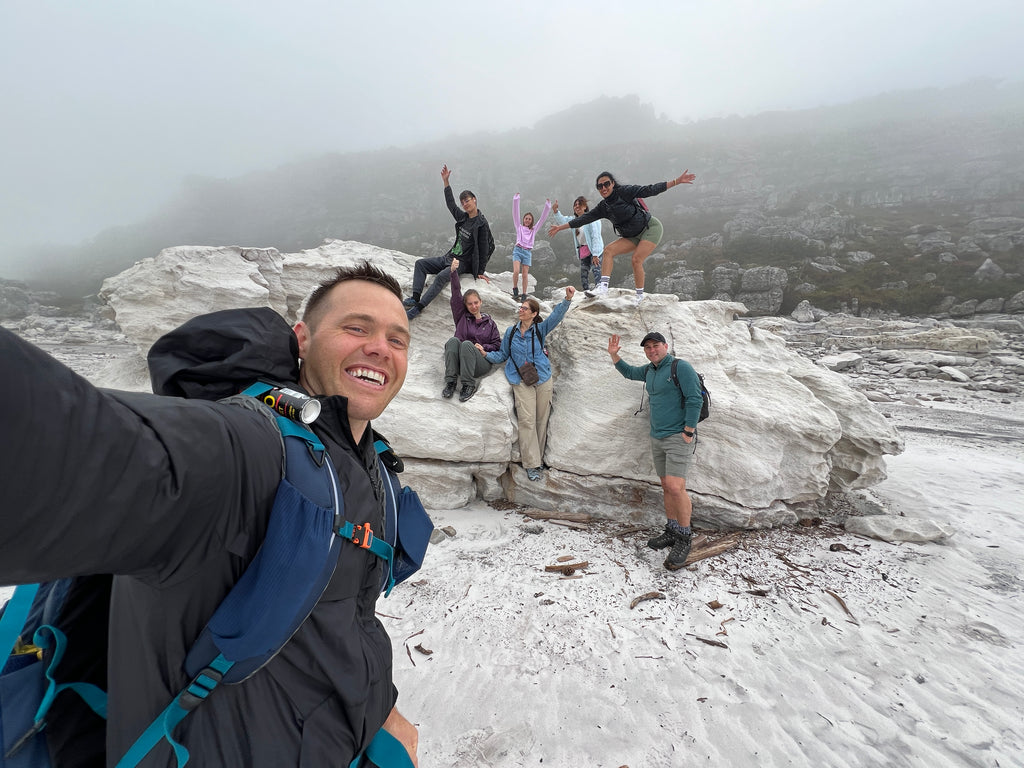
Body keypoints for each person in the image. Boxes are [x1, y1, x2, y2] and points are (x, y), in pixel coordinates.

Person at [0, 262, 419, 767]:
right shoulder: (252, 447)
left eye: (398, 339)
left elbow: (342, 622)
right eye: (356, 327)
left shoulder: (365, 461)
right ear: (301, 340)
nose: (380, 348)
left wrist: (381, 706)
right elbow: (92, 452)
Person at [606, 330, 703, 571]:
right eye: (647, 347)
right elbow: (629, 373)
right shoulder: (651, 370)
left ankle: (684, 537)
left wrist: (689, 430)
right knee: (666, 486)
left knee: (675, 487)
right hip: (657, 436)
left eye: (655, 346)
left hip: (678, 436)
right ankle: (671, 530)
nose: (652, 350)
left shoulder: (680, 367)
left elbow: (694, 398)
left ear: (665, 345)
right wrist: (614, 356)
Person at [548, 169, 696, 306]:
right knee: (608, 251)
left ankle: (639, 297)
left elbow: (649, 190)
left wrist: (676, 181)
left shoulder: (624, 192)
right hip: (631, 236)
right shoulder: (603, 207)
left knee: (636, 259)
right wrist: (560, 227)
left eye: (606, 184)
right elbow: (583, 219)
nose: (604, 188)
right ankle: (603, 288)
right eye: (600, 186)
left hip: (650, 228)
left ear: (613, 183)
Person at [484, 286, 575, 481]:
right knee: (527, 421)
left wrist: (567, 299)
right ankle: (532, 464)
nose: (521, 310)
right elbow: (503, 354)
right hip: (520, 379)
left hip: (542, 377)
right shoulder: (511, 332)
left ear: (534, 314)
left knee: (541, 420)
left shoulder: (540, 329)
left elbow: (555, 318)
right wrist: (485, 355)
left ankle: (539, 459)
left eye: (525, 308)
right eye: (521, 307)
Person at [404, 164, 491, 319]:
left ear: (474, 200)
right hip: (448, 257)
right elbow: (451, 205)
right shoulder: (463, 218)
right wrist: (446, 182)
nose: (465, 204)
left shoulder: (481, 224)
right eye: (463, 202)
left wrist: (480, 272)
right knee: (420, 264)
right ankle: (415, 297)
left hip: (461, 263)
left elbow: (484, 249)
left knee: (441, 278)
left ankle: (418, 308)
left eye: (467, 200)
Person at [443, 257, 501, 402]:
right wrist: (453, 272)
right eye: (470, 304)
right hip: (461, 362)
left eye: (476, 303)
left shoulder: (490, 323)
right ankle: (451, 382)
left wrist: (483, 347)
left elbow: (497, 345)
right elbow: (456, 293)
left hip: (480, 363)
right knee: (453, 341)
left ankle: (468, 385)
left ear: (481, 302)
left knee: (467, 344)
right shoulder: (462, 317)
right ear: (466, 306)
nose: (473, 306)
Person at [549, 196, 605, 291]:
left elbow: (595, 236)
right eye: (575, 205)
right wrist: (555, 211)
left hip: (594, 249)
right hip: (583, 250)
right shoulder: (575, 220)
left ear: (585, 207)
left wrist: (595, 254)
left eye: (579, 204)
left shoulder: (592, 218)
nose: (577, 206)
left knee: (596, 270)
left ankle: (600, 290)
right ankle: (586, 292)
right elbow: (563, 221)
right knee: (584, 273)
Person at [510, 193, 552, 300]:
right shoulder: (518, 227)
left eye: (529, 219)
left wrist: (547, 206)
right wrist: (516, 199)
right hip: (518, 250)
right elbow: (515, 213)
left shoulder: (533, 230)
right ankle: (515, 288)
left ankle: (524, 294)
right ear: (523, 219)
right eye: (526, 218)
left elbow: (542, 220)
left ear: (531, 221)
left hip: (527, 253)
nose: (527, 220)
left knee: (525, 275)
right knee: (516, 271)